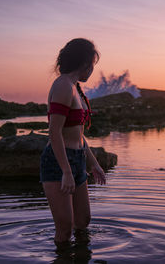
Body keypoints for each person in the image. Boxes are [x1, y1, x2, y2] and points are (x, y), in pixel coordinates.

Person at [39, 38, 107, 245]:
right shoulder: (62, 86)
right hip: (59, 163)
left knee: (83, 221)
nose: (92, 70)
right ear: (85, 63)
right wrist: (66, 172)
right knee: (65, 230)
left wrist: (94, 164)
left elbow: (78, 134)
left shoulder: (75, 87)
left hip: (77, 159)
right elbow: (54, 132)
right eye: (92, 65)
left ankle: (80, 256)